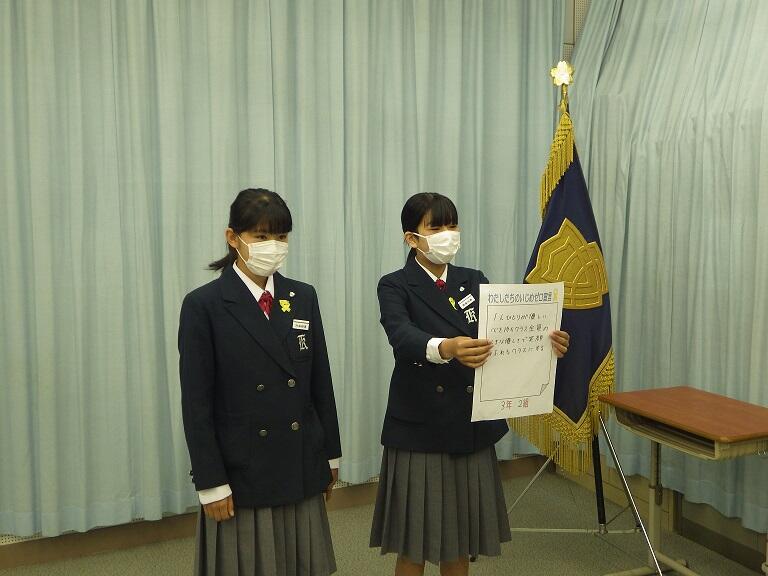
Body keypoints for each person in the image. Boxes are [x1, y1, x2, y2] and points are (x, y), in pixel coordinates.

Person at [370, 193, 569, 576]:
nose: (448, 234)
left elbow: (504, 336)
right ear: (412, 238)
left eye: (452, 225)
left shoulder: (473, 280)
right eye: (436, 227)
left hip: (469, 422)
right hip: (420, 428)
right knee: (413, 544)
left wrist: (547, 343)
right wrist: (446, 347)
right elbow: (401, 335)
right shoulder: (395, 285)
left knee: (458, 542)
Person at [179, 188, 341, 576]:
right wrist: (211, 483)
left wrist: (330, 455)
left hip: (300, 458)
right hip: (242, 471)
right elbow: (196, 404)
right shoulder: (204, 305)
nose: (273, 246)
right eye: (261, 236)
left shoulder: (302, 296)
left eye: (281, 236)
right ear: (233, 238)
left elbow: (320, 383)